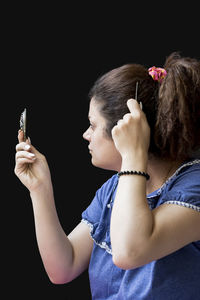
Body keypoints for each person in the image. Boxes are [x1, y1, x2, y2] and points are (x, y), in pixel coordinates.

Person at [15, 52, 200, 299]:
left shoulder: (194, 185)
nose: (86, 135)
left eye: (93, 125)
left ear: (127, 127)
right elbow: (63, 268)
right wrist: (39, 189)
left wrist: (135, 152)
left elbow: (129, 252)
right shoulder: (115, 189)